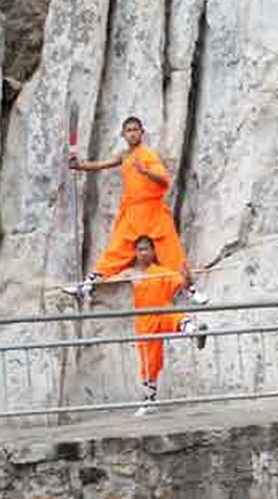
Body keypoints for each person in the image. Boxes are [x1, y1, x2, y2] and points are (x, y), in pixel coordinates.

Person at [64, 116, 206, 304]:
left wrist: (146, 172)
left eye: (136, 129)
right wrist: (80, 165)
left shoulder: (148, 155)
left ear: (142, 132)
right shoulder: (124, 155)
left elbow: (164, 180)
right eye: (129, 130)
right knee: (116, 251)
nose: (132, 133)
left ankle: (191, 289)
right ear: (123, 134)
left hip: (154, 211)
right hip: (133, 213)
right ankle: (88, 285)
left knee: (172, 253)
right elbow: (101, 164)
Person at [131, 235, 207, 415]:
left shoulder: (162, 272)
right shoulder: (129, 273)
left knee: (175, 315)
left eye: (146, 249)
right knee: (149, 362)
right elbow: (109, 278)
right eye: (139, 249)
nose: (143, 253)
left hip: (162, 312)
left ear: (153, 251)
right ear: (135, 252)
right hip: (144, 321)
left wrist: (188, 278)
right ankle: (150, 400)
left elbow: (183, 283)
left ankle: (194, 332)